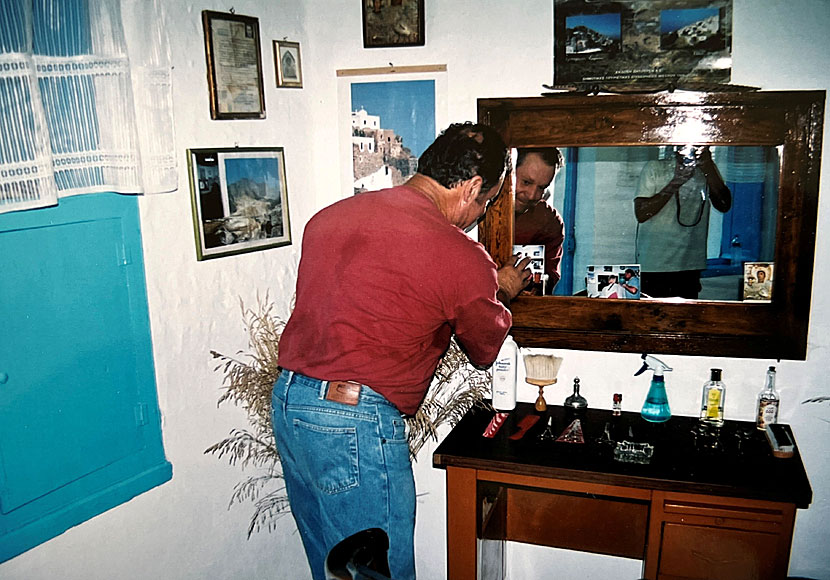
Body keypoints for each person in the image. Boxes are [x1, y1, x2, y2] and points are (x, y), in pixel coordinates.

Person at [271, 122, 532, 580]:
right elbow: (484, 346)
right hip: (353, 419)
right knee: (378, 571)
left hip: (290, 404)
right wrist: (502, 289)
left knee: (333, 569)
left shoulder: (330, 217)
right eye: (487, 200)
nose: (479, 213)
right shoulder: (459, 254)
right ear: (472, 187)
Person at [634, 145, 732, 299]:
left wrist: (708, 166)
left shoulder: (707, 170)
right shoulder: (656, 167)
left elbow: (724, 204)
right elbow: (641, 213)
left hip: (690, 265)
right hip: (655, 264)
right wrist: (676, 182)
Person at [514, 148, 565, 294]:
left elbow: (549, 277)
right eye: (526, 182)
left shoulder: (549, 222)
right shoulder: (477, 209)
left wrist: (535, 290)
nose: (531, 195)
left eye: (541, 188)